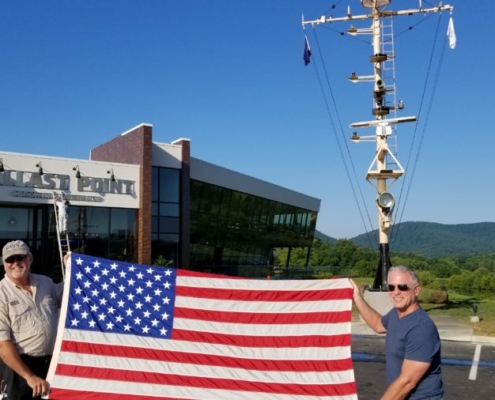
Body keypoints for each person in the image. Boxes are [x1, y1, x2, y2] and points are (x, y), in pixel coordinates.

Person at [350, 265, 443, 400]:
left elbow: (407, 382)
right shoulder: (396, 313)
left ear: (416, 290)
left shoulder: (421, 329)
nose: (396, 292)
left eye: (403, 287)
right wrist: (357, 298)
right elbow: (377, 324)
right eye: (391, 287)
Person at [0, 240, 64, 399]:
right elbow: (2, 344)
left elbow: (67, 296)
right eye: (10, 259)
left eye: (20, 258)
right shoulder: (1, 294)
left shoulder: (45, 282)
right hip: (20, 369)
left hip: (52, 364)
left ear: (30, 259)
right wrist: (29, 376)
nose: (16, 263)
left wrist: (72, 268)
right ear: (4, 263)